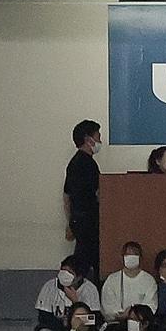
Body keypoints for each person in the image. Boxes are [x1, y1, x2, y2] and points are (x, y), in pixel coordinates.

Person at [63, 119, 102, 279]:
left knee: (83, 262)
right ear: (89, 140)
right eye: (98, 137)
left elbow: (66, 195)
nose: (100, 141)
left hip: (80, 222)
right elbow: (98, 193)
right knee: (86, 263)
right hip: (88, 223)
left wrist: (70, 221)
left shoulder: (74, 163)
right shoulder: (86, 164)